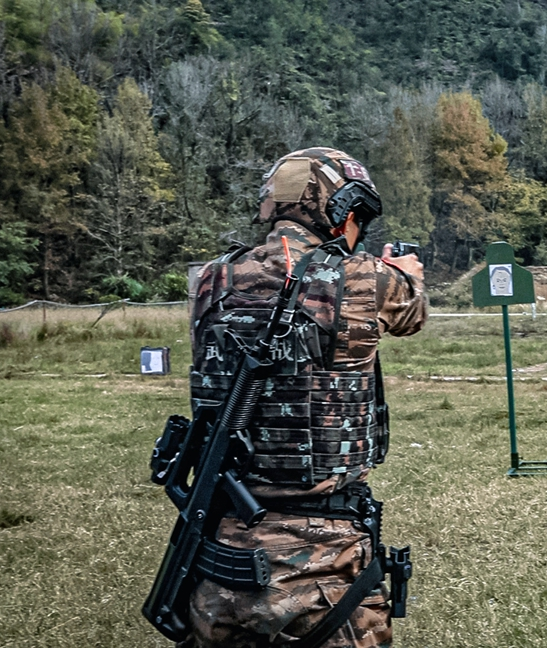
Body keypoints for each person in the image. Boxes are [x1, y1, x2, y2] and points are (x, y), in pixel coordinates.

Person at [182, 147, 428, 648]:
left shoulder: (211, 279)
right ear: (339, 211)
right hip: (325, 566)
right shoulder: (365, 278)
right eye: (356, 217)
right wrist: (407, 271)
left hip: (222, 559)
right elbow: (412, 312)